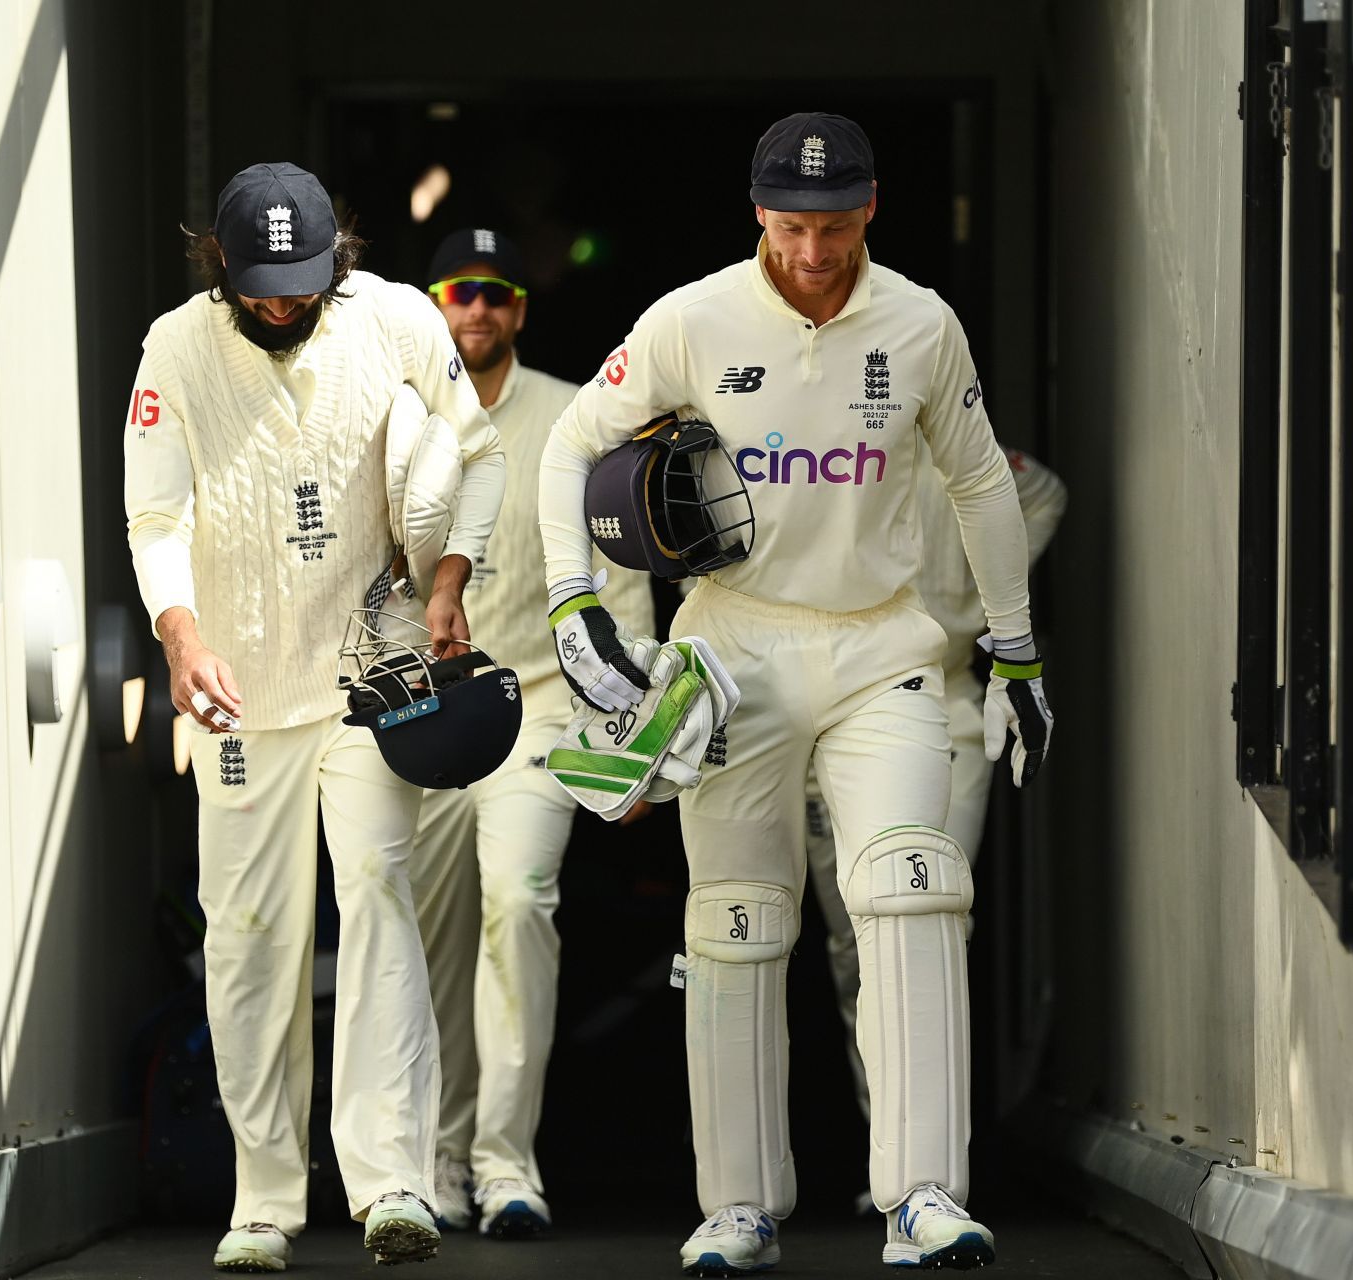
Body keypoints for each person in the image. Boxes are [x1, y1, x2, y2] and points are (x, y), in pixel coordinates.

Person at [537, 112, 1054, 1273]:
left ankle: (921, 1192)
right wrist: (574, 606)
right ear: (756, 214)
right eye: (789, 227)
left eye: (834, 227)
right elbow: (570, 445)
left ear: (872, 209)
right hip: (739, 649)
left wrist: (1015, 653)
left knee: (914, 890)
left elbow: (980, 487)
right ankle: (737, 1204)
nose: (812, 254)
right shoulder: (692, 319)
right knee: (737, 915)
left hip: (886, 645)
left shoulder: (921, 322)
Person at [122, 162, 505, 1272]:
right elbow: (156, 512)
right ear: (220, 267)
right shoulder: (177, 347)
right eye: (260, 286)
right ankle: (265, 1195)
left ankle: (392, 1180)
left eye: (303, 282)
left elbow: (474, 449)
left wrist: (451, 577)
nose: (282, 303)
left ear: (340, 259)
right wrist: (182, 634)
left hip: (369, 668)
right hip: (241, 684)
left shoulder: (392, 319)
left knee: (381, 893)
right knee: (248, 934)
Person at [406, 227, 657, 1239]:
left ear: (520, 309)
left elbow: (626, 583)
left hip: (543, 711)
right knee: (424, 942)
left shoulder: (572, 419)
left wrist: (632, 737)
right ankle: (435, 1161)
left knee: (516, 901)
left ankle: (507, 1161)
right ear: (434, 304)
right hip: (422, 714)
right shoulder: (396, 418)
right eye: (459, 291)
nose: (476, 309)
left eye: (495, 293)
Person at [804, 447, 1067, 1216]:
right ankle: (889, 1147)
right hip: (831, 711)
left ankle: (930, 1172)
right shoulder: (831, 439)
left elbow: (1045, 492)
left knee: (933, 925)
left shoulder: (971, 456)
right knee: (857, 940)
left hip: (945, 704)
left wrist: (990, 610)